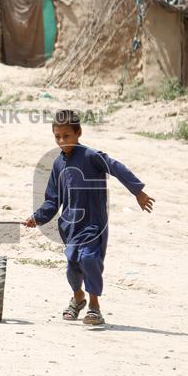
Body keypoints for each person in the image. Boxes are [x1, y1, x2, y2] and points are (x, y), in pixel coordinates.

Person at [25, 110, 155, 325]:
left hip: (94, 224)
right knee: (72, 265)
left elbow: (116, 167)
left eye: (66, 136)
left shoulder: (90, 156)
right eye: (57, 136)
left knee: (90, 259)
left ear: (78, 133)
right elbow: (52, 200)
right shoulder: (58, 165)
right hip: (70, 226)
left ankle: (94, 305)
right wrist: (37, 218)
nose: (61, 141)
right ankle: (78, 298)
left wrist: (138, 192)